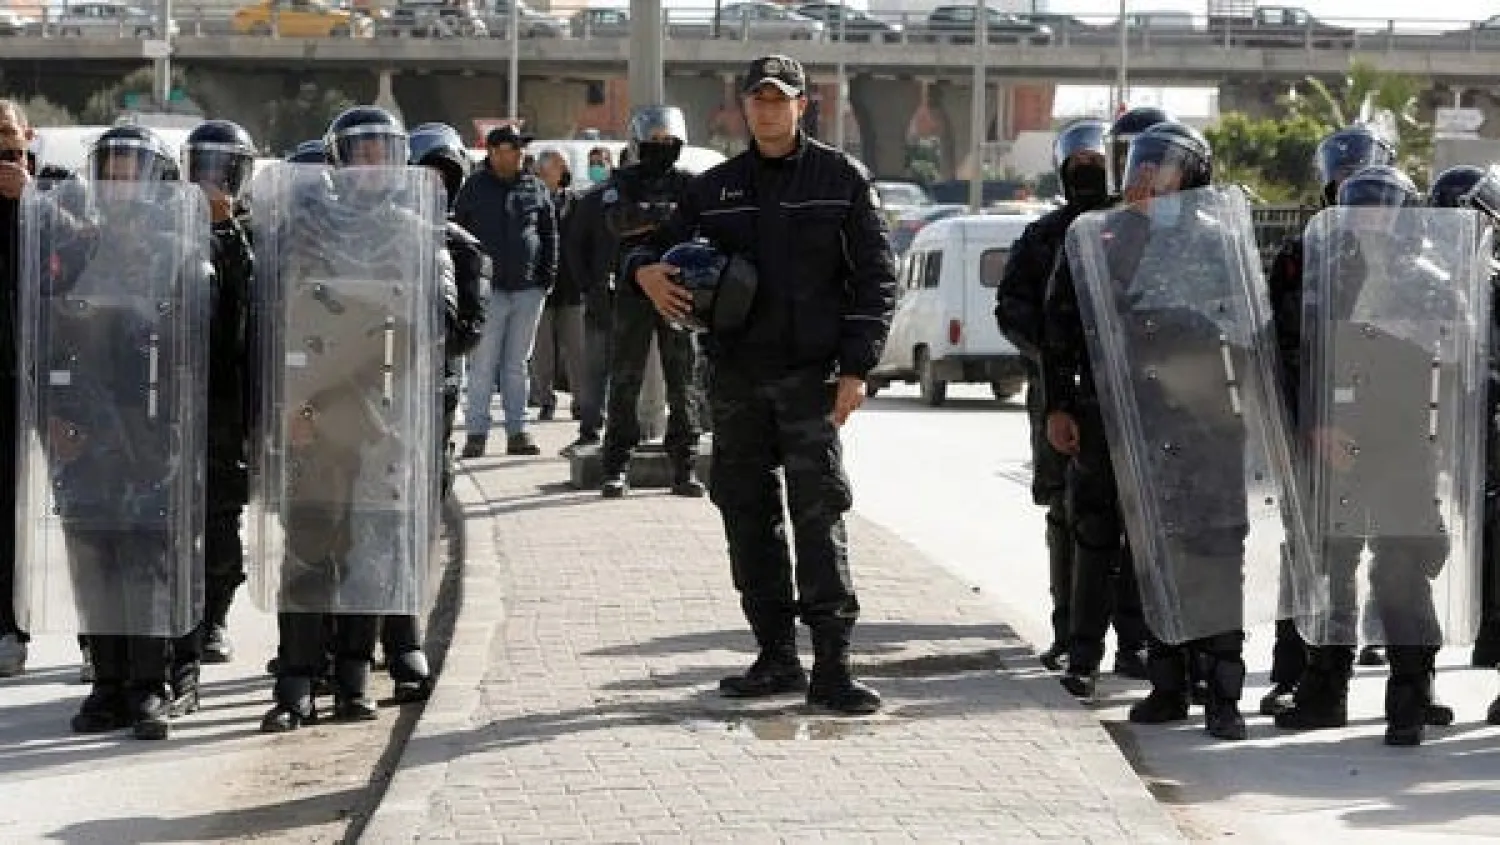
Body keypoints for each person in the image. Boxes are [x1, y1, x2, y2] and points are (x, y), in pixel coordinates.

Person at [626, 54, 897, 714]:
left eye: (782, 98)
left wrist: (857, 369)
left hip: (812, 379)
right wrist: (644, 271)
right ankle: (775, 654)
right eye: (759, 98)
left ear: (804, 105)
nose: (769, 108)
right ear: (743, 107)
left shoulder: (841, 180)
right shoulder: (714, 188)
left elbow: (877, 280)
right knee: (747, 517)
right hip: (736, 379)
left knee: (818, 515)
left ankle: (832, 664)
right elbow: (652, 243)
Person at [257, 106, 454, 730]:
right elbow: (277, 320)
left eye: (382, 151)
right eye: (359, 151)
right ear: (339, 160)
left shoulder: (414, 229)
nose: (371, 164)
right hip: (312, 409)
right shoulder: (304, 226)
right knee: (310, 549)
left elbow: (432, 325)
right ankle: (294, 682)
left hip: (384, 410)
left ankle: (351, 679)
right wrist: (289, 405)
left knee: (371, 546)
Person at [1286, 164, 1475, 746]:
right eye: (1357, 202)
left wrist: (1443, 442)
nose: (1369, 214)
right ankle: (1324, 693)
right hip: (1334, 442)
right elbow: (1297, 351)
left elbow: (1462, 361)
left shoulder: (1430, 276)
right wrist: (1315, 424)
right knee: (1329, 570)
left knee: (1400, 570)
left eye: (1382, 203)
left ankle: (1411, 702)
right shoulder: (1322, 274)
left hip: (1403, 445)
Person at [40, 125, 213, 739]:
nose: (118, 179)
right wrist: (56, 416)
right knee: (94, 559)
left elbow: (194, 344)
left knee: (146, 559)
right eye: (109, 167)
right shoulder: (77, 249)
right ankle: (108, 683)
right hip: (87, 433)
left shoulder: (179, 249)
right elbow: (53, 336)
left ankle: (150, 684)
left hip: (153, 428)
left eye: (130, 167)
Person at [1259, 125, 1397, 717]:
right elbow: (1279, 349)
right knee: (1312, 559)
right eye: (1344, 180)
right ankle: (1299, 673)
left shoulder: (1414, 261)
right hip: (1317, 435)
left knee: (1402, 555)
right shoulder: (1301, 255)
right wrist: (1307, 425)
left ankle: (1410, 690)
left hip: (1390, 438)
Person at [1037, 106, 1169, 699]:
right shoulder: (1094, 233)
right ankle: (1083, 654)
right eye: (1137, 164)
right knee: (1094, 533)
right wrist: (1059, 405)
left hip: (1173, 412)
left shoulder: (1199, 237)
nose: (1145, 178)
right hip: (1102, 406)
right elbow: (1058, 325)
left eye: (1158, 167)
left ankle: (1151, 650)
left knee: (1159, 537)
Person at [994, 118, 1114, 672]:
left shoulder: (1130, 230)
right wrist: (1054, 349)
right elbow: (1012, 308)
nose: (1088, 173)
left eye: (1096, 164)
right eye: (1079, 166)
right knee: (1066, 514)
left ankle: (1133, 638)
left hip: (1127, 395)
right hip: (1059, 394)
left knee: (1130, 519)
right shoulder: (1043, 238)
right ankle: (1069, 631)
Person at [161, 120, 257, 720]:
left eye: (225, 168)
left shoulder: (254, 235)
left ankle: (216, 616)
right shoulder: (167, 229)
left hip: (228, 397)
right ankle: (171, 631)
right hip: (170, 394)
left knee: (222, 520)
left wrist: (225, 230)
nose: (212, 179)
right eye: (204, 166)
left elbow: (250, 307)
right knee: (170, 521)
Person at [598, 106, 704, 498]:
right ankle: (616, 466)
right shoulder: (623, 179)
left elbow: (699, 223)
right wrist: (665, 216)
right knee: (625, 379)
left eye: (668, 140)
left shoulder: (690, 183)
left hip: (679, 289)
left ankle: (685, 466)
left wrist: (654, 217)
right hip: (632, 290)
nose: (662, 146)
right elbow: (618, 220)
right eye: (654, 140)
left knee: (684, 382)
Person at [456, 126, 556, 458]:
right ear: (495, 151)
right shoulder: (474, 188)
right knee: (483, 364)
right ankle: (476, 433)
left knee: (517, 364)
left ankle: (518, 431)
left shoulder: (535, 187)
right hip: (489, 290)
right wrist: (468, 283)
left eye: (520, 148)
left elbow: (549, 234)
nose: (519, 154)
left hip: (528, 290)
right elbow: (460, 237)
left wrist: (546, 280)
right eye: (513, 148)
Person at [0, 100, 34, 677]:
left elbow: (83, 250)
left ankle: (95, 644)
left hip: (54, 375)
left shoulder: (52, 191)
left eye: (8, 134)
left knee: (77, 509)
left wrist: (30, 199)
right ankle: (7, 627)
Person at [561, 150, 620, 455]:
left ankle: (623, 431)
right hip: (600, 297)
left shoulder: (643, 201)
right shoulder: (593, 200)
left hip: (636, 299)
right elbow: (573, 245)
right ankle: (590, 429)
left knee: (628, 372)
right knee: (596, 367)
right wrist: (587, 285)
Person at [528, 150, 585, 423]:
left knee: (577, 348)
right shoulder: (531, 201)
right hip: (540, 285)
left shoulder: (577, 202)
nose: (560, 170)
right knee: (542, 351)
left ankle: (581, 402)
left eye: (561, 166)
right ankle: (544, 399)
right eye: (553, 166)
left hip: (573, 286)